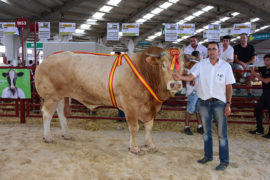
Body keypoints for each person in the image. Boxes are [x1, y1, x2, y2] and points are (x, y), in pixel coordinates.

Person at [173, 42, 235, 171]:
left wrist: (228, 104)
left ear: (218, 51)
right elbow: (191, 76)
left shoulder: (225, 66)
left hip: (220, 103)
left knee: (222, 134)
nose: (212, 51)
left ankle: (224, 161)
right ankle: (208, 156)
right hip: (204, 102)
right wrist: (181, 77)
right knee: (207, 132)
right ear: (207, 51)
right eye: (210, 49)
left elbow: (229, 86)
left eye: (214, 49)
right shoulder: (201, 65)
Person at [249, 54, 270, 139]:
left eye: (268, 60)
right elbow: (253, 67)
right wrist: (253, 71)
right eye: (265, 60)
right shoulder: (264, 68)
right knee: (257, 110)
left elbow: (266, 81)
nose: (266, 61)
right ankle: (260, 129)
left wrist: (256, 75)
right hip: (265, 93)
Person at [183, 50, 203, 135]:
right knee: (192, 109)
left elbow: (185, 73)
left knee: (195, 109)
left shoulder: (190, 64)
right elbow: (189, 75)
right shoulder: (197, 64)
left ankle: (199, 126)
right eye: (199, 56)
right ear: (198, 57)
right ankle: (187, 126)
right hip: (194, 89)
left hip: (196, 88)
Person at [233, 33, 256, 97]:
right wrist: (242, 64)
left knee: (249, 78)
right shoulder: (236, 47)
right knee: (239, 69)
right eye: (241, 38)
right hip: (239, 63)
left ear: (247, 39)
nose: (242, 39)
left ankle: (249, 94)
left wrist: (246, 64)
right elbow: (235, 59)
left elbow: (254, 59)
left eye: (244, 38)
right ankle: (239, 80)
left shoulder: (251, 47)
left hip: (248, 64)